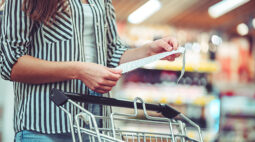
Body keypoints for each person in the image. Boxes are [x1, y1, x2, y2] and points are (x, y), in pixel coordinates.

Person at [0, 0, 180, 141]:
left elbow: (111, 53)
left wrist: (149, 51)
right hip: (45, 126)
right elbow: (10, 63)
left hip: (96, 124)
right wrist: (78, 70)